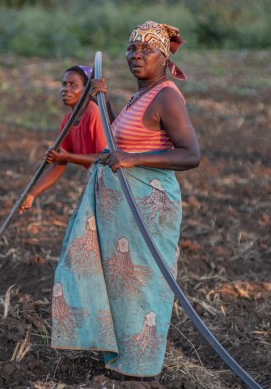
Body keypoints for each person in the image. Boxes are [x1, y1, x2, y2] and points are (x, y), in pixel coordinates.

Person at [50, 21, 201, 378]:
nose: (137, 56)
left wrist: (132, 160)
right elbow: (125, 141)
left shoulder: (166, 95)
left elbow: (190, 154)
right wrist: (106, 101)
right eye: (132, 49)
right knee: (119, 281)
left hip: (148, 205)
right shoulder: (142, 95)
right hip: (123, 206)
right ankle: (119, 358)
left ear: (163, 57)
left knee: (141, 283)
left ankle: (140, 368)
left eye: (147, 50)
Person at [18, 65, 109, 213]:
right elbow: (59, 163)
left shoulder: (94, 113)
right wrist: (31, 194)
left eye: (73, 85)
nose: (66, 89)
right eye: (64, 84)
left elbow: (105, 157)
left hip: (115, 183)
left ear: (87, 89)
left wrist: (67, 156)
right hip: (99, 183)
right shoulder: (68, 120)